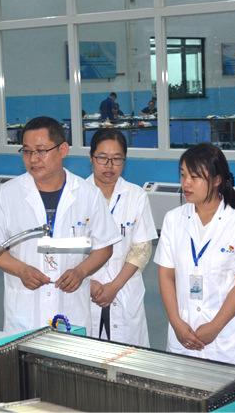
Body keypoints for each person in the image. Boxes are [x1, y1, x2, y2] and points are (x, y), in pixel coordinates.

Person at [0, 116, 120, 333]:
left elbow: (104, 247)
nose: (33, 159)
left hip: (72, 310)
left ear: (63, 150)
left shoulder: (88, 195)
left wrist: (81, 272)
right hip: (25, 312)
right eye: (27, 151)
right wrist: (21, 270)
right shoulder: (6, 195)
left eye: (41, 151)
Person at [154, 143, 235, 366]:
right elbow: (166, 275)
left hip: (223, 337)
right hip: (182, 332)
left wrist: (215, 327)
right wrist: (176, 323)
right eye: (183, 175)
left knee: (226, 388)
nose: (186, 183)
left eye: (195, 177)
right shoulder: (173, 219)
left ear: (216, 180)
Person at [86, 129, 158, 346]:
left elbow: (142, 249)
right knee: (86, 356)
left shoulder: (136, 196)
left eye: (117, 159)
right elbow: (67, 249)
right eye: (102, 158)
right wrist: (87, 282)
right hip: (86, 288)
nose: (109, 165)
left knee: (128, 358)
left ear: (124, 161)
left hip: (125, 289)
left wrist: (114, 286)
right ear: (91, 158)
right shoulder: (76, 194)